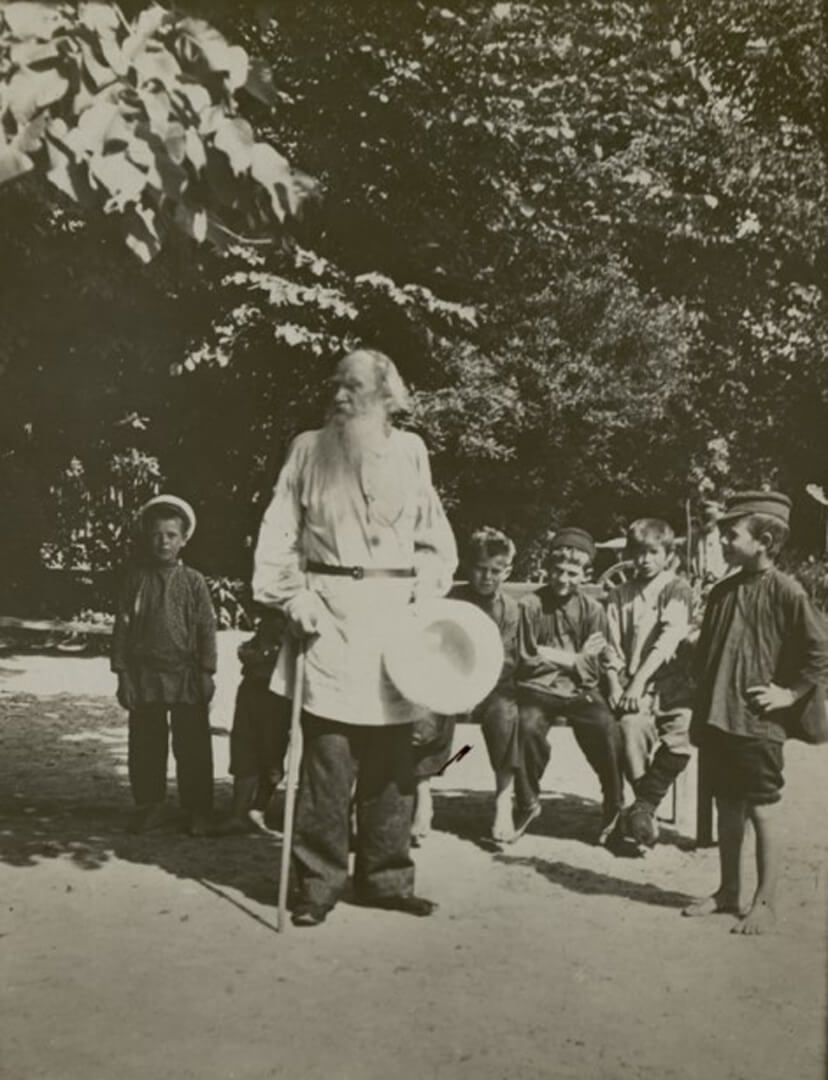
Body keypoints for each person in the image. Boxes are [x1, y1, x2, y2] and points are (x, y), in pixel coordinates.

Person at [252, 348, 458, 927]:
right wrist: (295, 597)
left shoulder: (411, 453)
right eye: (335, 387)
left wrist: (427, 594)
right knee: (328, 758)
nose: (339, 398)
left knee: (395, 757)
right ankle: (317, 884)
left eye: (353, 388)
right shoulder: (308, 449)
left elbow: (432, 536)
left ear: (387, 396)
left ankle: (387, 877)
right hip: (331, 617)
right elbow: (278, 535)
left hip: (395, 619)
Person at [683, 491, 828, 933]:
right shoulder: (723, 590)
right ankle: (729, 891)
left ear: (764, 540)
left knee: (762, 809)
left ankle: (765, 902)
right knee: (728, 805)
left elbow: (820, 650)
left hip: (757, 723)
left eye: (731, 534)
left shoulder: (787, 591)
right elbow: (710, 650)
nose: (723, 541)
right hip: (718, 716)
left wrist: (789, 694)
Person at [111, 495, 217, 836]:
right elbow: (123, 628)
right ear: (147, 537)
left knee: (193, 745)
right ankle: (149, 805)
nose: (164, 542)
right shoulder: (135, 579)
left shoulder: (194, 582)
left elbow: (206, 628)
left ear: (184, 539)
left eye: (171, 535)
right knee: (145, 742)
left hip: (186, 675)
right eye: (157, 534)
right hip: (145, 676)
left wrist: (206, 672)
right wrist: (123, 674)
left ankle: (198, 809)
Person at [411, 527, 523, 844]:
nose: (486, 577)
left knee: (506, 715)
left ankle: (503, 801)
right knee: (425, 713)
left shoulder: (509, 609)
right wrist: (456, 687)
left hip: (490, 686)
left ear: (507, 571)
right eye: (480, 569)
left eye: (495, 571)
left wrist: (477, 688)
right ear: (467, 567)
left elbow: (506, 659)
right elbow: (432, 645)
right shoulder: (450, 599)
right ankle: (423, 797)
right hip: (447, 680)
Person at [516, 528, 624, 845]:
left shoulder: (593, 610)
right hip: (537, 688)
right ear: (547, 569)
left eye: (572, 573)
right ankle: (526, 801)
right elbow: (527, 657)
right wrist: (574, 657)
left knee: (606, 728)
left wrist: (559, 657)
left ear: (585, 574)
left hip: (581, 691)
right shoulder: (530, 605)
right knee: (526, 725)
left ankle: (614, 806)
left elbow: (594, 665)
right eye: (558, 571)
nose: (563, 579)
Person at [603, 518, 694, 849]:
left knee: (681, 734)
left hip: (670, 685)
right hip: (629, 686)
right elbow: (609, 646)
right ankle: (644, 813)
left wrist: (638, 683)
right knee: (629, 728)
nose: (644, 560)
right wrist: (615, 684)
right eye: (638, 553)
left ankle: (643, 806)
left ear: (668, 555)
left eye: (653, 552)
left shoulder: (676, 588)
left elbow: (667, 641)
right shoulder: (618, 594)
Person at [219, 608, 291, 834]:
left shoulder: (294, 617)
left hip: (279, 696)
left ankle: (258, 808)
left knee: (272, 754)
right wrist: (252, 654)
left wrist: (267, 657)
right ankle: (238, 813)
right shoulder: (268, 619)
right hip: (253, 691)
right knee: (244, 748)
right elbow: (250, 649)